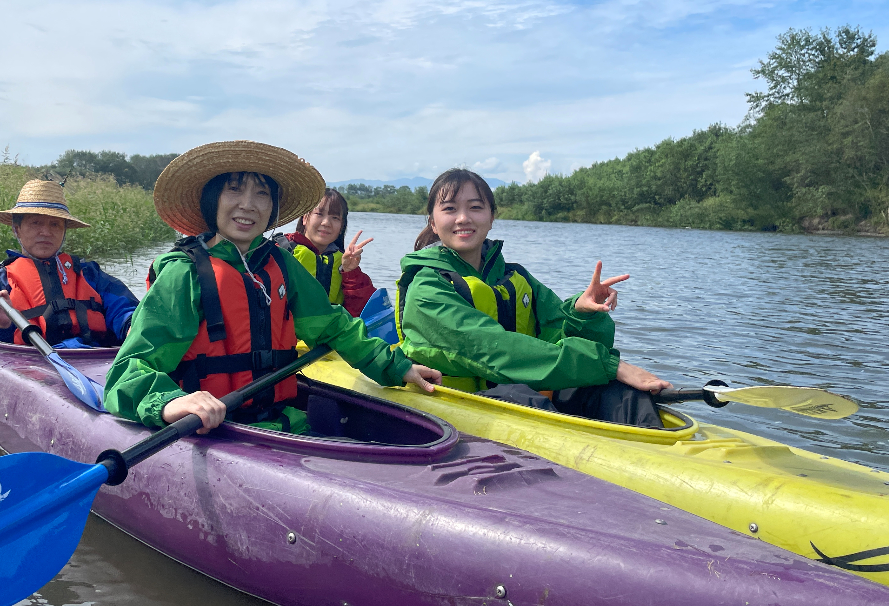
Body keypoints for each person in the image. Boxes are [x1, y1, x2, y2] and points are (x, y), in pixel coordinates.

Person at [104, 141, 441, 435]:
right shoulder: (184, 272)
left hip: (283, 422)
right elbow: (127, 373)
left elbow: (334, 325)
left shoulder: (280, 264)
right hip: (214, 429)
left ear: (272, 209)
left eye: (262, 194)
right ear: (212, 199)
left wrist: (398, 366)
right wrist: (171, 403)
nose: (249, 205)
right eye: (234, 190)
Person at [394, 168, 671, 428]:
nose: (463, 218)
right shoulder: (427, 286)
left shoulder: (516, 278)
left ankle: (661, 454)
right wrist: (610, 365)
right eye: (450, 209)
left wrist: (582, 314)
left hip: (517, 394)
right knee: (526, 395)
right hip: (454, 403)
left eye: (475, 207)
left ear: (492, 217)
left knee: (617, 390)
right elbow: (492, 348)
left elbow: (562, 340)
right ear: (433, 221)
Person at [0, 180, 138, 349]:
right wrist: (2, 325)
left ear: (64, 231)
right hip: (29, 363)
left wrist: (131, 326)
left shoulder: (89, 274)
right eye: (36, 223)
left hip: (93, 359)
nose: (46, 232)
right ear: (17, 229)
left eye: (55, 224)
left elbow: (122, 308)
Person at [277, 188, 376, 316]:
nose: (326, 223)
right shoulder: (281, 251)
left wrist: (351, 272)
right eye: (319, 214)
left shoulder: (343, 262)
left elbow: (362, 313)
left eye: (335, 217)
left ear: (341, 227)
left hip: (331, 334)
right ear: (305, 218)